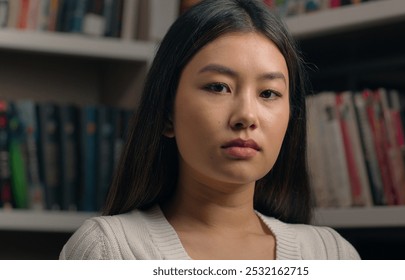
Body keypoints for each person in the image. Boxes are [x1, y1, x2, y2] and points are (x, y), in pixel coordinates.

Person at [60, 0, 360, 260]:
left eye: (268, 93)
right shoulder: (109, 250)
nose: (246, 116)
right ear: (166, 115)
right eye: (218, 87)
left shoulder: (330, 255)